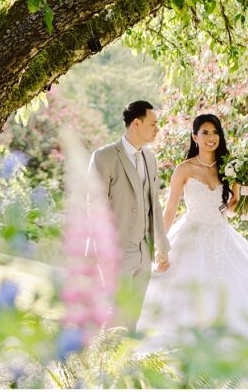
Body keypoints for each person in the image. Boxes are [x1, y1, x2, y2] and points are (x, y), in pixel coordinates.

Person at [135, 114, 248, 386]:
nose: (211, 137)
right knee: (186, 299)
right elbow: (169, 210)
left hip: (223, 238)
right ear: (195, 137)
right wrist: (161, 247)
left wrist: (245, 194)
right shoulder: (184, 169)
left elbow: (231, 209)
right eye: (205, 132)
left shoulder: (229, 167)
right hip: (190, 236)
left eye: (215, 132)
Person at [87, 100, 170, 331]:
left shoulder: (150, 159)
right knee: (115, 315)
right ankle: (98, 363)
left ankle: (121, 365)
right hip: (117, 249)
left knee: (133, 318)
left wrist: (162, 244)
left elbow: (155, 203)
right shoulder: (104, 156)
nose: (157, 129)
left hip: (145, 250)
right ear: (136, 123)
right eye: (153, 124)